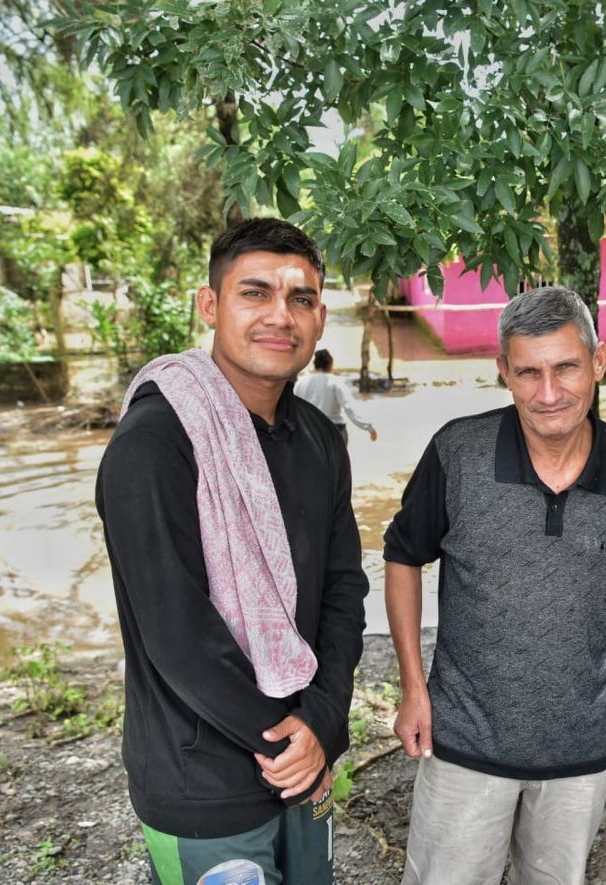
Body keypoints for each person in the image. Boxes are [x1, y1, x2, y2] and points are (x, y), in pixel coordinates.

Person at [95, 218, 368, 885]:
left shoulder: (319, 440)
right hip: (202, 779)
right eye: (255, 292)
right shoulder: (155, 444)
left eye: (301, 298)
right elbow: (177, 633)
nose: (281, 315)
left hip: (305, 756)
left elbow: (343, 587)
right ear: (210, 305)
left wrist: (323, 723)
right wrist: (287, 736)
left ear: (320, 316)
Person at [383, 286, 606, 885]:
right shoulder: (458, 450)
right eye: (528, 372)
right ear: (503, 370)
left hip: (580, 743)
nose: (549, 393)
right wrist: (412, 687)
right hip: (464, 738)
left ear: (599, 361)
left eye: (566, 368)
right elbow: (402, 556)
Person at [295, 348, 378, 447]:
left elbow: (293, 410)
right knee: (337, 462)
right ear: (330, 364)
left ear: (315, 364)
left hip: (310, 432)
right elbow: (350, 409)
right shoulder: (337, 382)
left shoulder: (301, 382)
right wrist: (368, 427)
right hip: (335, 431)